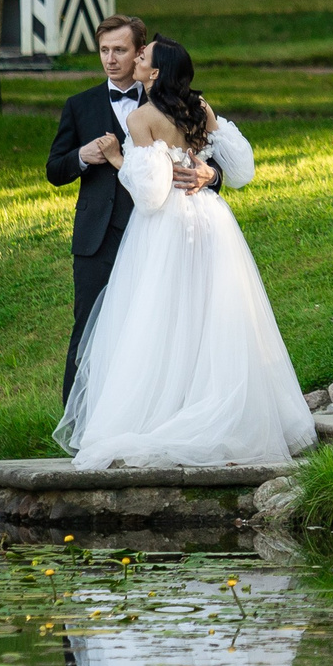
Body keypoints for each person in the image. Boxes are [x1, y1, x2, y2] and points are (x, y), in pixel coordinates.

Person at [55, 38, 314, 469]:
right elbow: (243, 167)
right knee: (210, 317)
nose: (135, 59)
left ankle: (165, 416)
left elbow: (153, 194)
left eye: (142, 56)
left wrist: (120, 159)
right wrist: (210, 171)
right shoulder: (200, 109)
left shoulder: (142, 118)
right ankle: (219, 410)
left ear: (154, 74)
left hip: (167, 229)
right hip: (212, 223)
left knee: (161, 318)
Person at [46, 15, 232, 401]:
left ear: (140, 54)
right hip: (100, 237)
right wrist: (81, 155)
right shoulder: (79, 106)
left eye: (120, 50)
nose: (110, 59)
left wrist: (208, 177)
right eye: (104, 50)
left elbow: (210, 160)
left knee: (160, 328)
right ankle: (80, 425)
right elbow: (55, 169)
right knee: (89, 330)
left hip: (160, 234)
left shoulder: (172, 102)